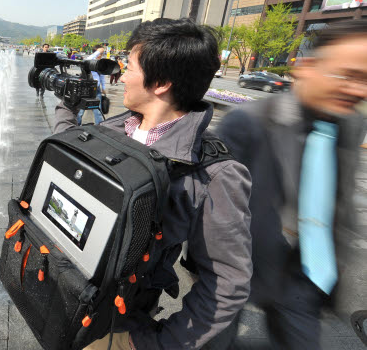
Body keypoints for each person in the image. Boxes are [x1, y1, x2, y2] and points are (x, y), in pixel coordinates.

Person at [54, 18, 252, 349]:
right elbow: (66, 157)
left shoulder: (216, 174)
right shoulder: (118, 129)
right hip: (68, 297)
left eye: (129, 65)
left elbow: (227, 282)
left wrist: (150, 343)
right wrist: (67, 104)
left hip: (116, 325)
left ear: (160, 82)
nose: (122, 74)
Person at [213, 19, 367, 349]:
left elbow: (339, 198)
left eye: (365, 80)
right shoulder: (249, 123)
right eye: (346, 75)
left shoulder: (351, 123)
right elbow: (210, 205)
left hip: (303, 275)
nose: (357, 90)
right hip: (239, 270)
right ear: (308, 68)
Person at [76, 45, 107, 125]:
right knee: (80, 110)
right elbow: (86, 60)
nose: (100, 55)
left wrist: (103, 88)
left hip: (96, 90)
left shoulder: (101, 63)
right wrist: (98, 52)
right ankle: (76, 126)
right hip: (86, 89)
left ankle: (99, 128)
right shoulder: (89, 61)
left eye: (101, 53)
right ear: (95, 53)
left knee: (98, 110)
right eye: (99, 53)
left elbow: (102, 77)